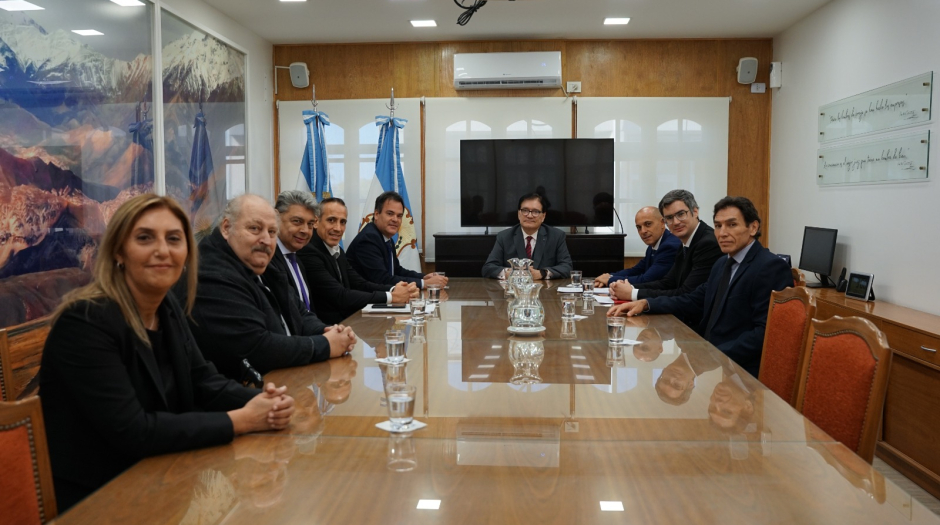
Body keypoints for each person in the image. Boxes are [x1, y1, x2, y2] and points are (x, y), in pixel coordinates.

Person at [39, 194, 296, 512]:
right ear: (118, 250)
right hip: (98, 500)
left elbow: (203, 380)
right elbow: (134, 431)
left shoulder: (166, 306)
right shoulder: (85, 321)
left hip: (164, 478)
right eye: (145, 238)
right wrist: (240, 420)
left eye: (174, 239)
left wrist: (265, 403)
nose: (163, 250)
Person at [176, 194, 356, 381]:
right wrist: (325, 345)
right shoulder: (211, 275)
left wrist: (327, 332)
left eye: (271, 232)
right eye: (254, 228)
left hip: (284, 378)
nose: (266, 240)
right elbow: (256, 347)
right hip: (246, 389)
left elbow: (299, 311)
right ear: (226, 228)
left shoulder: (260, 261)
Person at [608, 196, 792, 376]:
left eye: (732, 225)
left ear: (753, 227)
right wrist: (646, 303)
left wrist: (713, 356)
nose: (722, 233)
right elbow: (694, 299)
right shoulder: (722, 263)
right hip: (713, 359)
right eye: (718, 226)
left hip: (742, 371)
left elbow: (766, 333)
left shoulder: (770, 267)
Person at [297, 197, 418, 324]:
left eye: (342, 222)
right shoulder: (308, 251)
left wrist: (395, 290)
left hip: (348, 322)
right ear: (316, 222)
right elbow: (340, 296)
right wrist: (392, 296)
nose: (338, 228)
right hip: (327, 327)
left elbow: (360, 284)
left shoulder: (336, 249)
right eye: (331, 220)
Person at [609, 190, 722, 309]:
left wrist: (633, 294)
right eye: (669, 217)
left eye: (681, 214)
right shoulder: (684, 241)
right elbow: (668, 282)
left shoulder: (708, 243)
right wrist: (629, 288)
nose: (676, 222)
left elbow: (686, 293)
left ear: (695, 212)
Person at [346, 191, 446, 289]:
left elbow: (396, 270)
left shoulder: (386, 238)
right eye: (390, 214)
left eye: (399, 216)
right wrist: (424, 283)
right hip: (363, 298)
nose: (395, 219)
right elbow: (382, 279)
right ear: (376, 214)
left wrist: (423, 277)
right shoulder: (369, 239)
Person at [481, 192, 573, 280]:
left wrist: (542, 273)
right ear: (519, 214)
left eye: (535, 211)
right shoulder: (504, 237)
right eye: (525, 210)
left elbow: (567, 267)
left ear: (543, 216)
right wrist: (507, 273)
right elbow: (488, 268)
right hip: (513, 289)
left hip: (545, 289)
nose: (529, 216)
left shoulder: (556, 236)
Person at [595, 206, 680, 288]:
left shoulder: (669, 246)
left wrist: (609, 280)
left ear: (662, 223)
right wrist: (610, 276)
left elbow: (647, 280)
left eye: (648, 224)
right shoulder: (653, 245)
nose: (643, 231)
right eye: (639, 227)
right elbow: (636, 270)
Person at [271, 190, 319, 311]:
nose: (305, 230)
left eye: (310, 224)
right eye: (297, 221)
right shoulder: (267, 260)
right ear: (276, 218)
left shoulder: (297, 261)